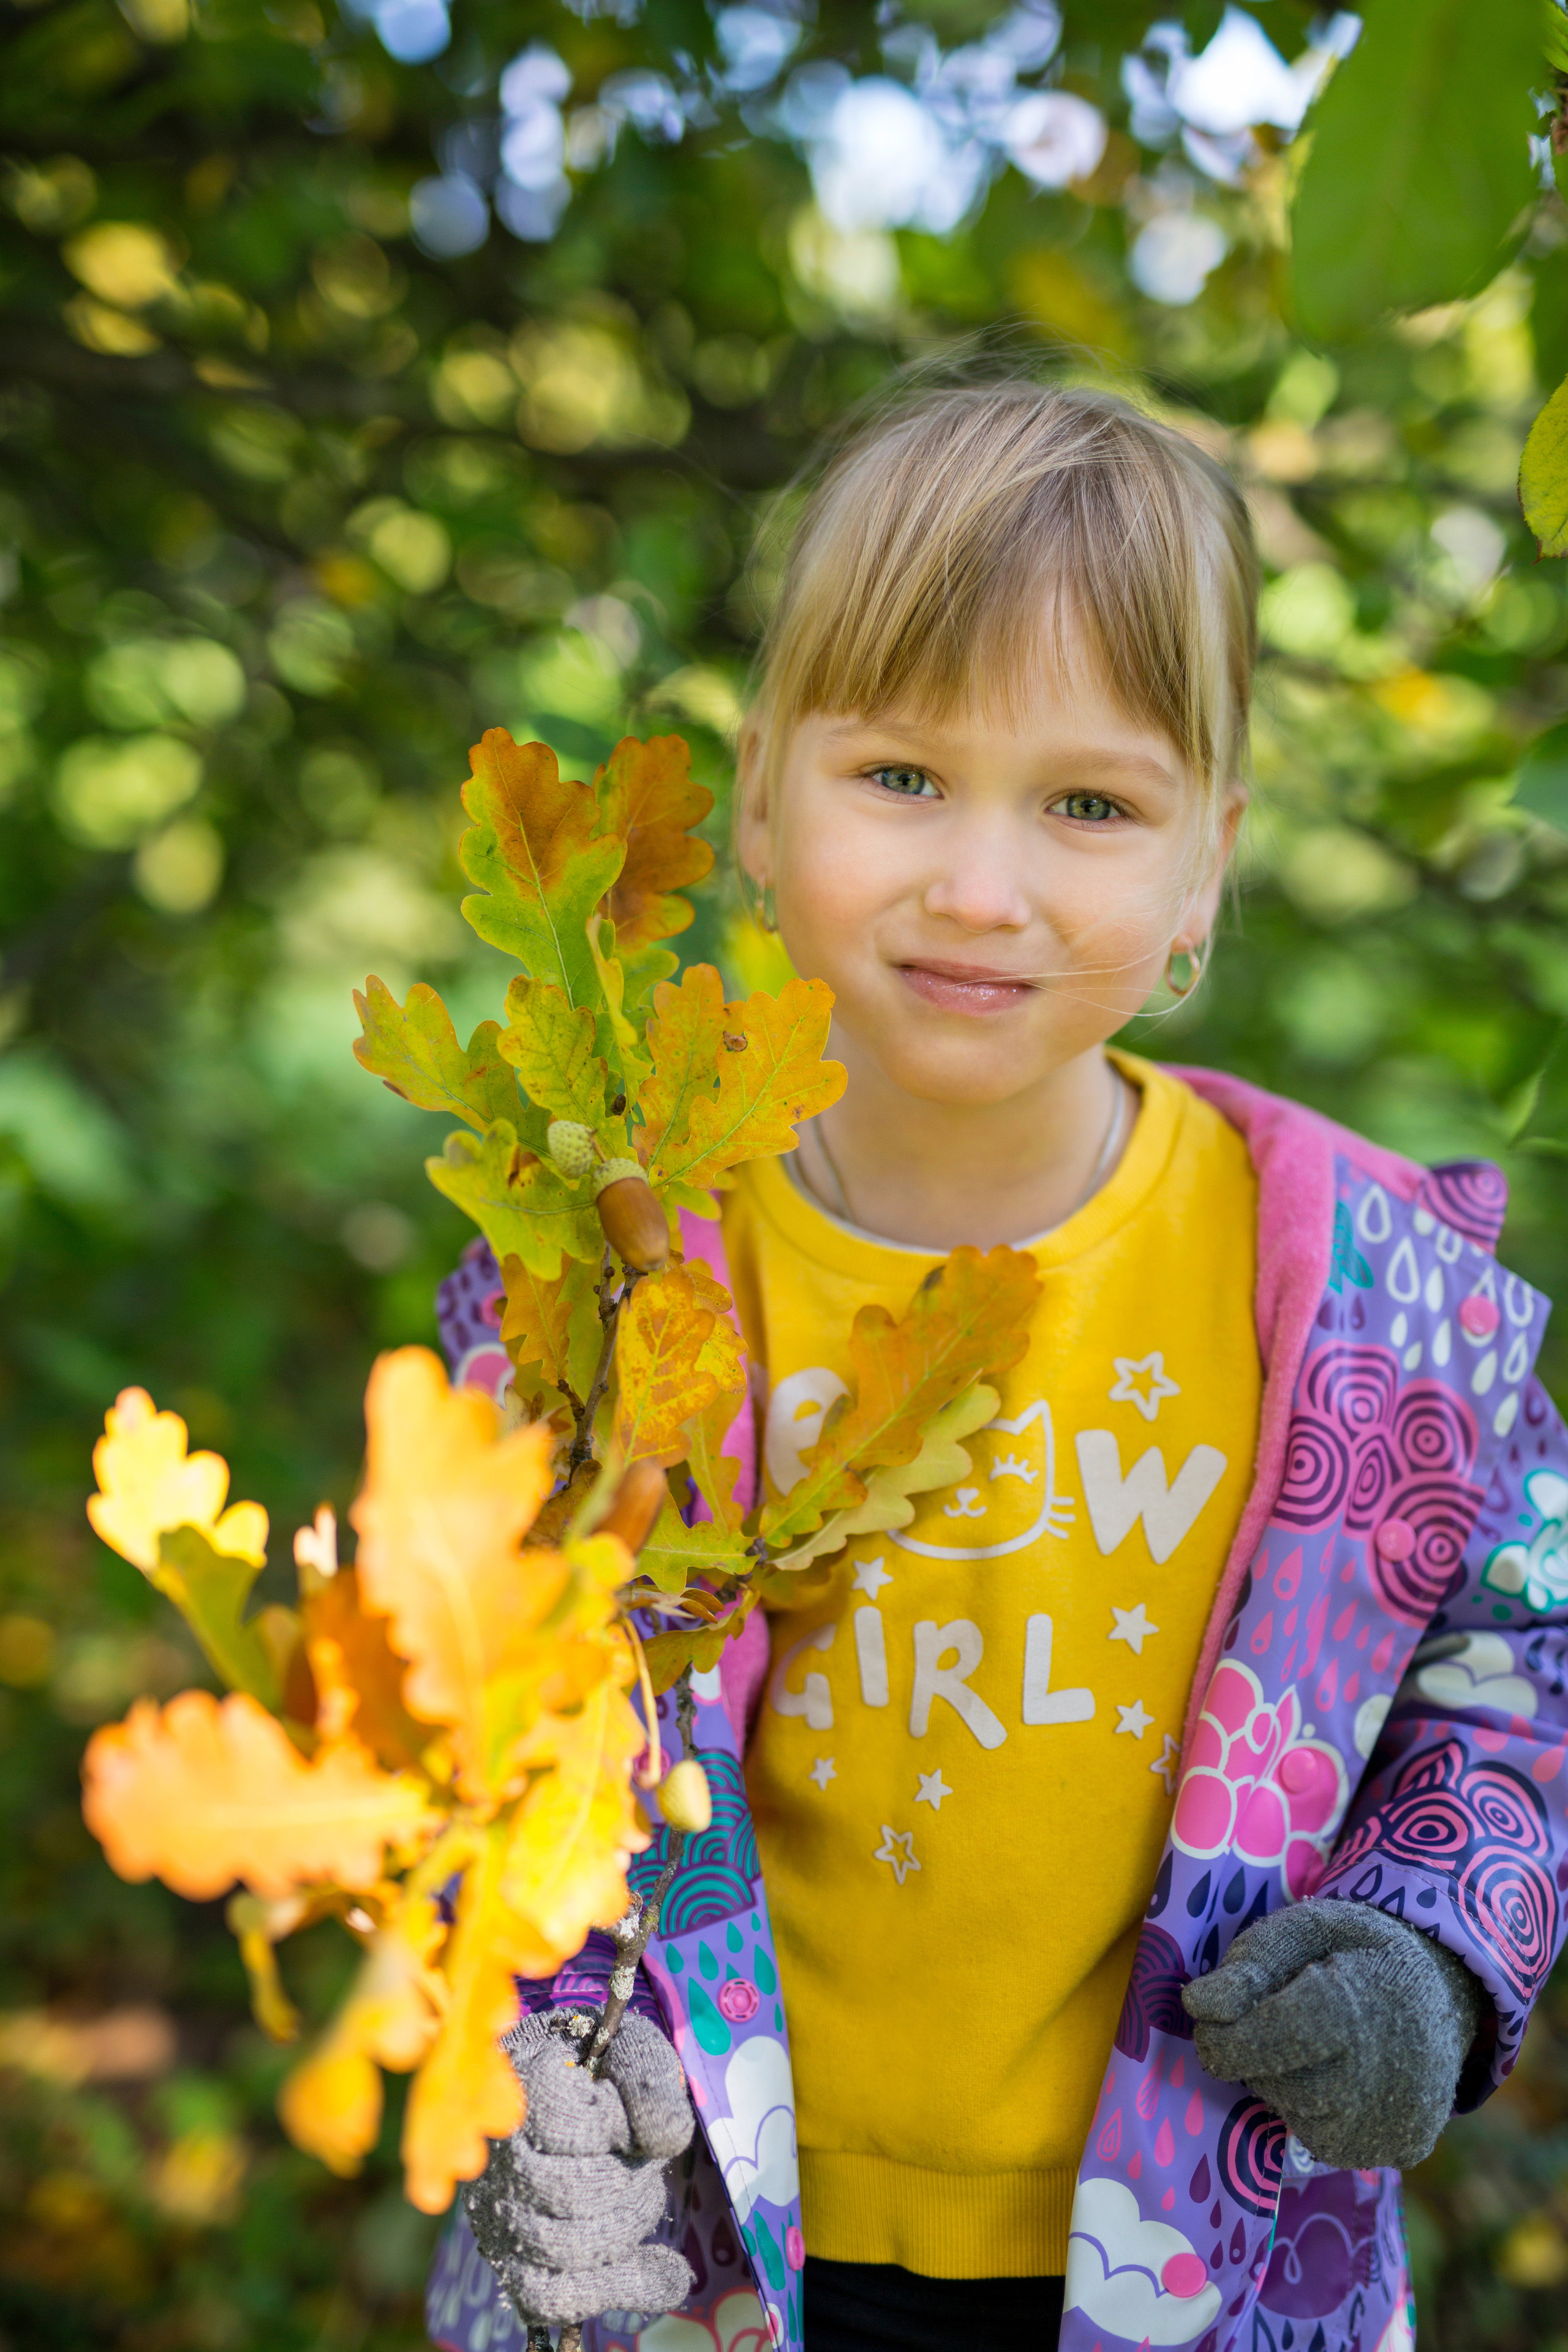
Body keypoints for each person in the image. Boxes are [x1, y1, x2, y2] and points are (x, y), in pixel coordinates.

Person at [428, 382, 1568, 2352]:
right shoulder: (598, 1282)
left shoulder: (1381, 1302)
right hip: (697, 2258)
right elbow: (477, 1729)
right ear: (766, 797)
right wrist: (533, 2067)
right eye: (900, 777)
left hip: (1198, 2246)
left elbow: (1519, 1677)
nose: (981, 885)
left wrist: (1433, 1955)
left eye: (1091, 806)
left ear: (1205, 865)